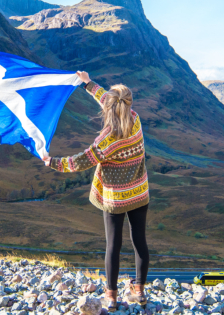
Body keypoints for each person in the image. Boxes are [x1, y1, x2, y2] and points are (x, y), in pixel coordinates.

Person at [42, 71, 150, 311]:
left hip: (115, 198)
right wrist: (89, 84)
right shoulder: (136, 120)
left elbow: (81, 161)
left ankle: (111, 297)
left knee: (113, 245)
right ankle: (139, 291)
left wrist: (52, 162)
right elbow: (111, 102)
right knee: (139, 242)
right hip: (140, 194)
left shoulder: (107, 139)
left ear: (110, 108)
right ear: (128, 104)